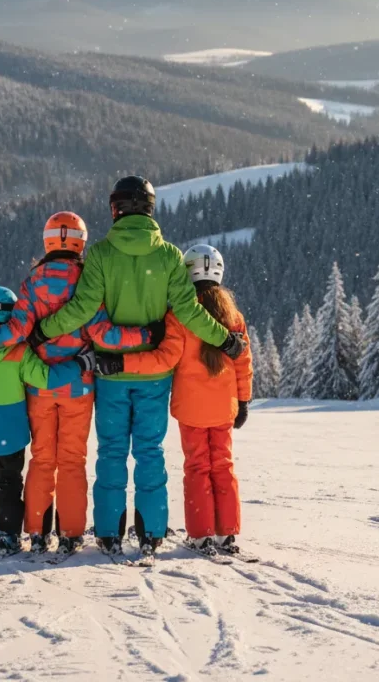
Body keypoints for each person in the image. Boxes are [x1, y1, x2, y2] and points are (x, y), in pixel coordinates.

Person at [36, 177, 243, 557]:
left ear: (116, 209)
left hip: (111, 374)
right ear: (150, 208)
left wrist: (42, 330)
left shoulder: (99, 255)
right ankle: (151, 532)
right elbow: (189, 312)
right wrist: (223, 339)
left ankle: (111, 532)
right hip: (154, 375)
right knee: (149, 451)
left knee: (112, 451)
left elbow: (81, 310)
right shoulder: (166, 256)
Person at [0, 213, 151, 555]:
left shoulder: (33, 282)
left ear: (47, 240)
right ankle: (70, 532)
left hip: (39, 386)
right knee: (72, 460)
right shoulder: (89, 280)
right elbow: (102, 332)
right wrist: (144, 334)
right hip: (78, 385)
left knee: (41, 459)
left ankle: (36, 530)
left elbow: (17, 331)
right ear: (80, 241)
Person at [97, 244, 253, 554]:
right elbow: (243, 360)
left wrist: (123, 363)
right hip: (224, 407)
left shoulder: (181, 315)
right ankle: (227, 532)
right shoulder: (233, 316)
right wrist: (243, 400)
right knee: (222, 465)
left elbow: (162, 360)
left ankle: (201, 533)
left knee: (197, 467)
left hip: (192, 410)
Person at [0, 284, 94, 558]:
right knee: (9, 483)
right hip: (13, 436)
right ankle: (8, 536)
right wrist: (80, 364)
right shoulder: (19, 353)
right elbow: (46, 378)